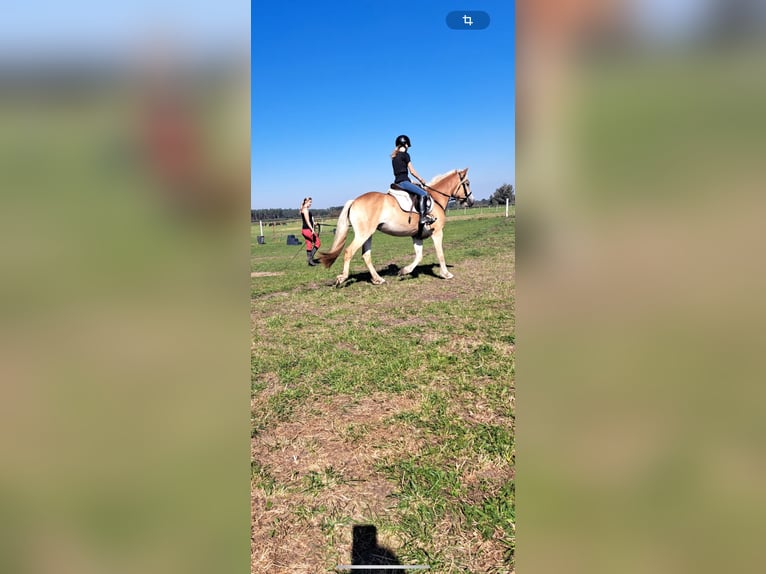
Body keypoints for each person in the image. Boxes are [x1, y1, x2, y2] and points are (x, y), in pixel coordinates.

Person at [390, 134, 435, 226]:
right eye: (407, 145)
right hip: (404, 182)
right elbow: (412, 171)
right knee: (424, 193)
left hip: (398, 182)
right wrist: (421, 179)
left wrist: (411, 182)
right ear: (405, 144)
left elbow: (400, 173)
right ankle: (423, 218)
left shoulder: (394, 157)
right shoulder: (405, 155)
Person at [300, 197, 321, 266]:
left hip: (304, 230)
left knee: (309, 244)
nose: (311, 204)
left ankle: (310, 261)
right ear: (306, 201)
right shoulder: (305, 210)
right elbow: (307, 221)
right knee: (318, 243)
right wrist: (312, 229)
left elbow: (309, 221)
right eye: (310, 202)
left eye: (311, 202)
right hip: (308, 230)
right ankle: (310, 259)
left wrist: (314, 223)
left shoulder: (303, 209)